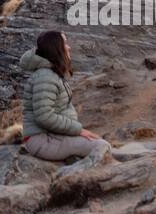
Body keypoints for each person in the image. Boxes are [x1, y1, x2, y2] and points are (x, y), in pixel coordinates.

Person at [19, 30, 111, 165]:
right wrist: (79, 130)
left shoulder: (50, 74)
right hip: (42, 140)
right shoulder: (45, 77)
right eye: (65, 43)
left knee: (98, 143)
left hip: (50, 136)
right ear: (56, 49)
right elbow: (44, 116)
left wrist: (78, 132)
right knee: (101, 146)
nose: (69, 47)